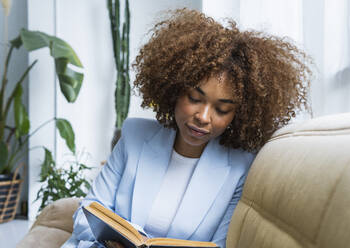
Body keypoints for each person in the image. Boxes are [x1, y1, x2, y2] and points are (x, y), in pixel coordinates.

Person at [62, 8, 311, 248]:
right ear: (174, 89)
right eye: (194, 98)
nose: (203, 117)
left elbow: (218, 245)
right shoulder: (135, 135)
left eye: (222, 109)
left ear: (241, 114)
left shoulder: (240, 167)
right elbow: (88, 212)